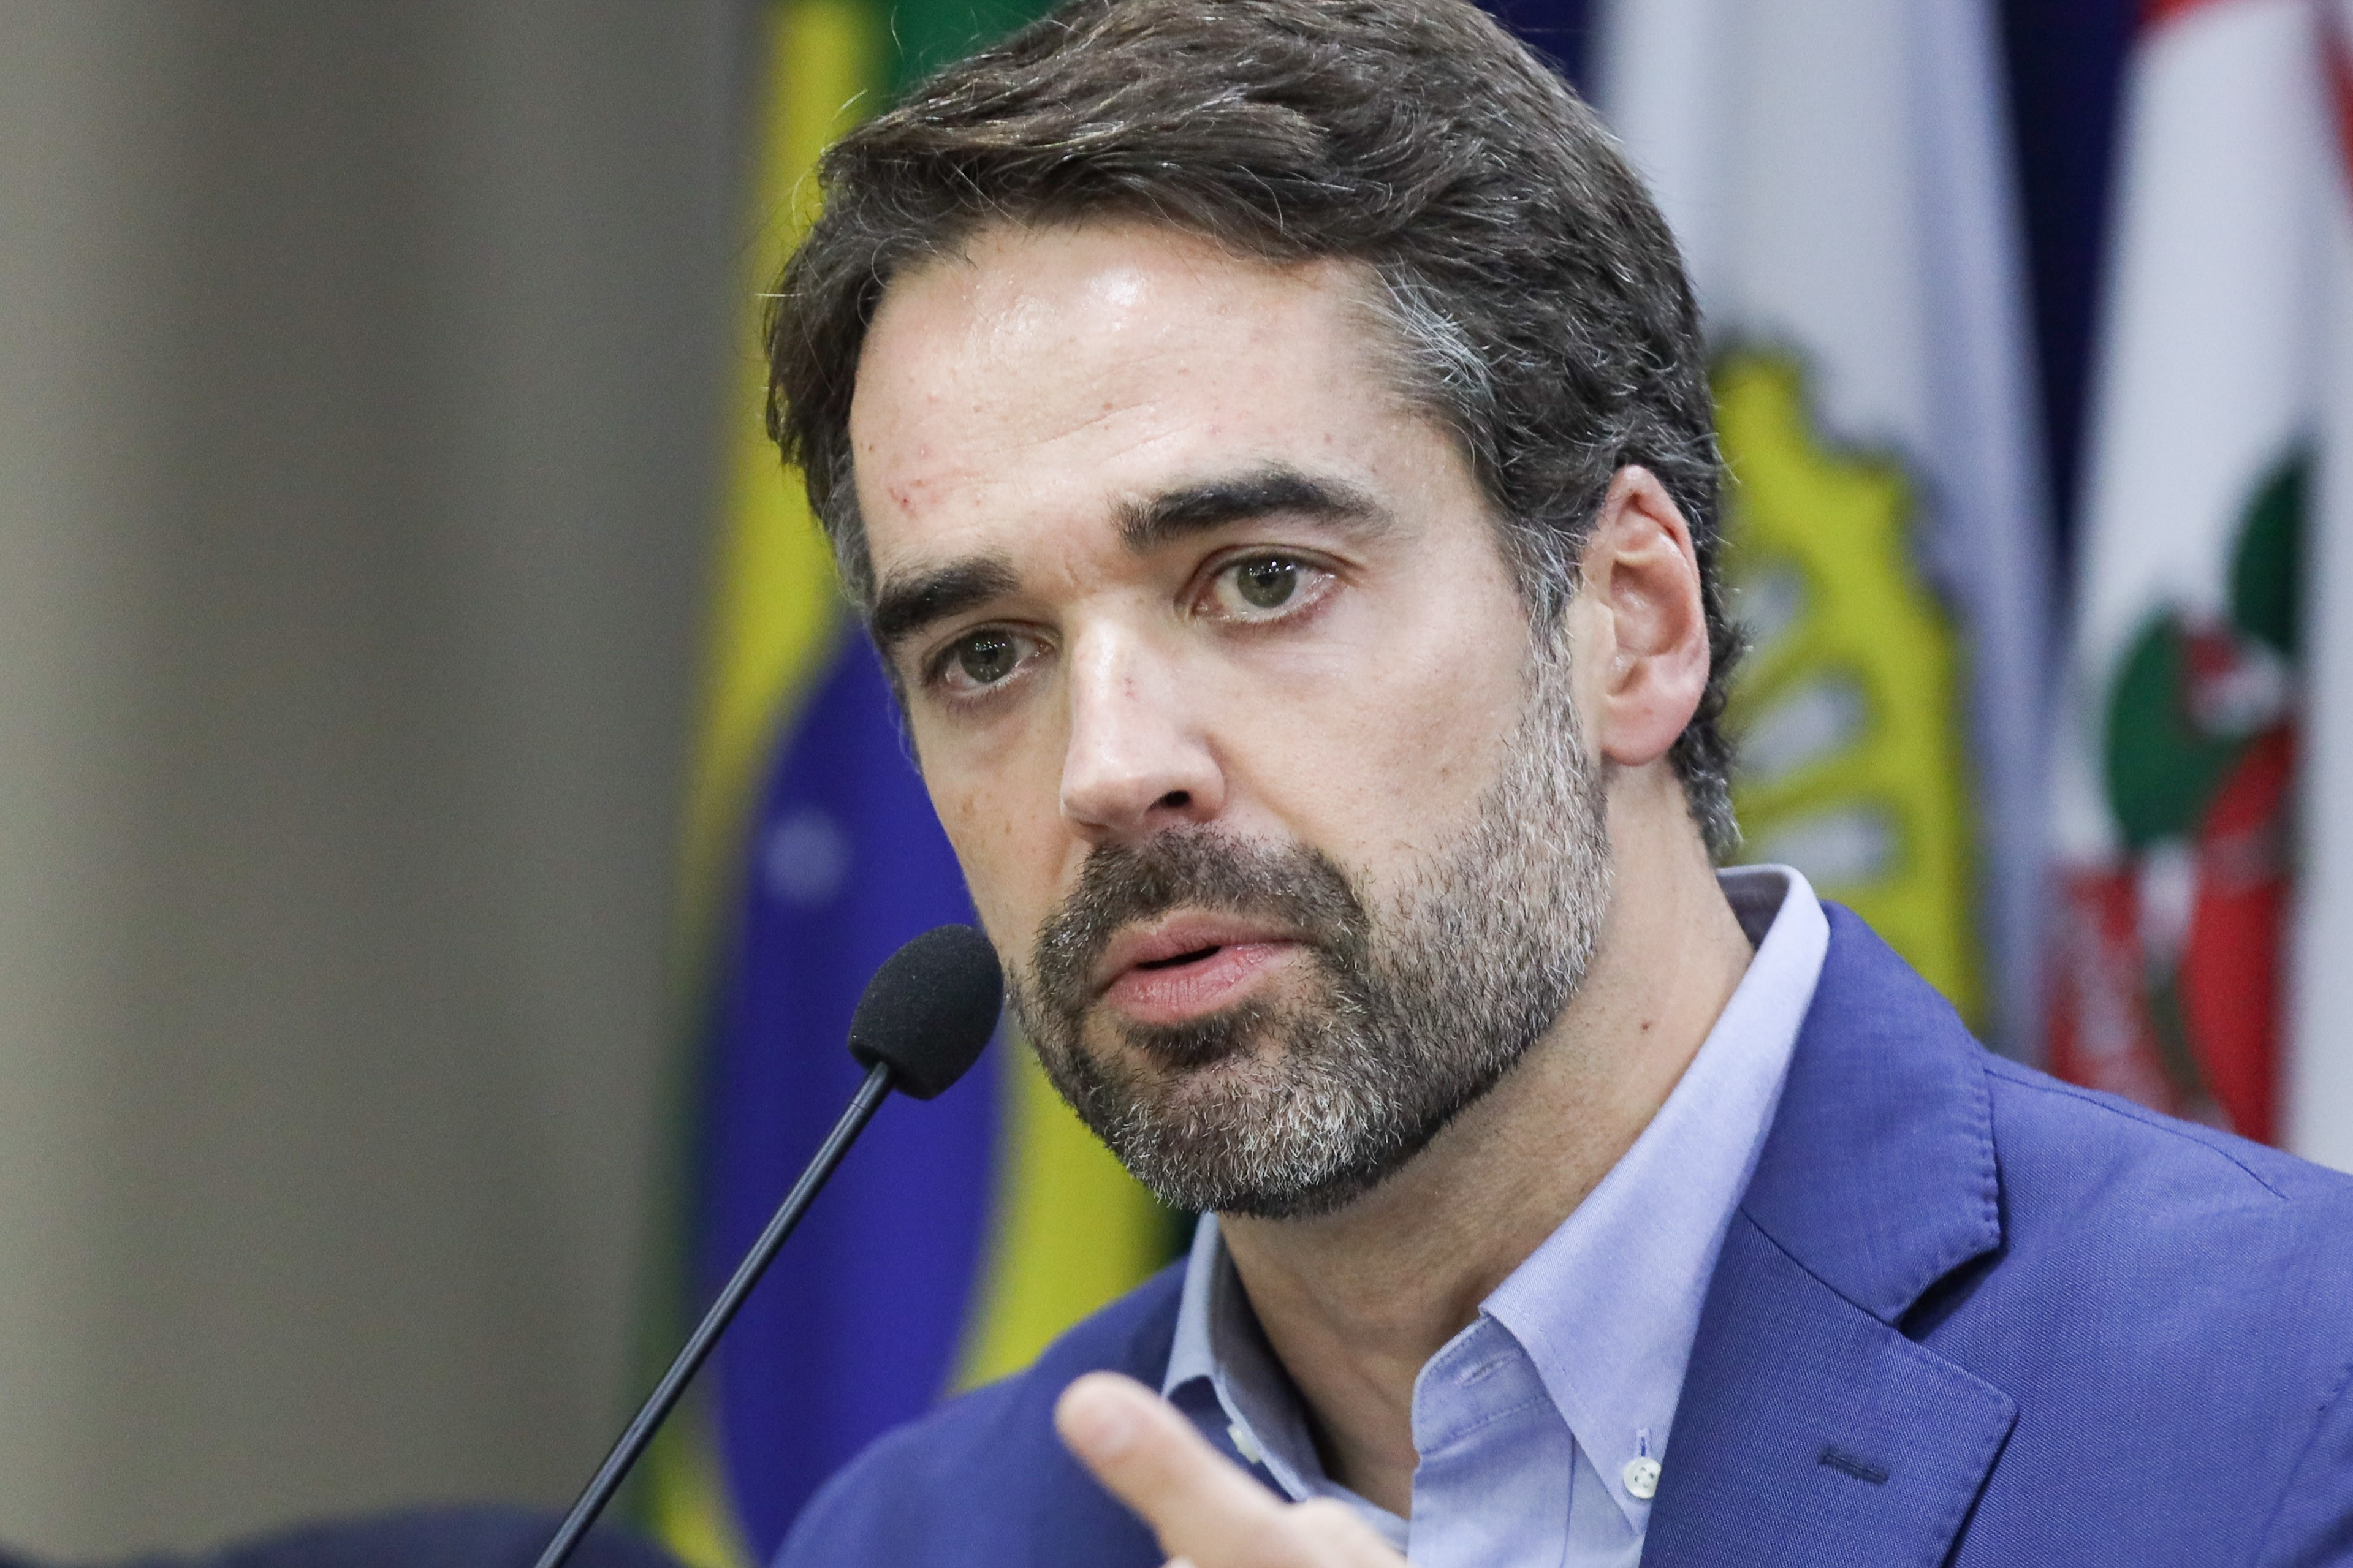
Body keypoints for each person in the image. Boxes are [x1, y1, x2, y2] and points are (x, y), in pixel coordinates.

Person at [761, 2, 2353, 1562]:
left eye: (1260, 580)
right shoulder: (909, 1541)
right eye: (985, 655)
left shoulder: (2292, 1394)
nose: (1109, 770)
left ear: (1633, 622)